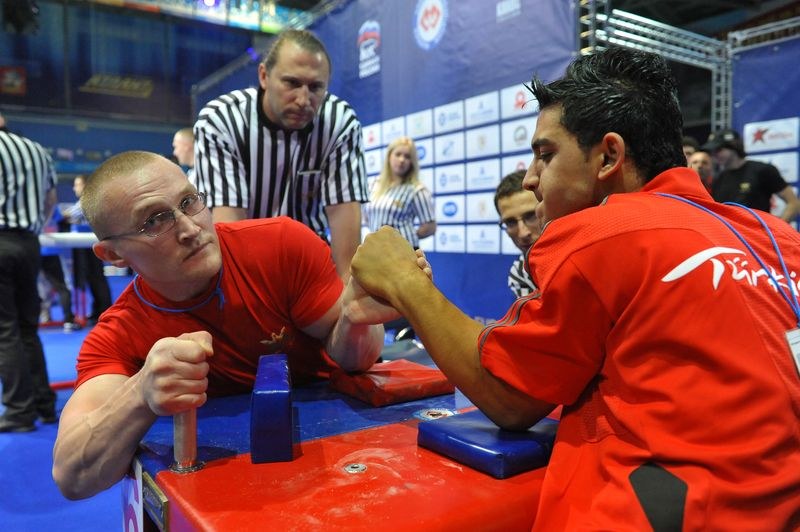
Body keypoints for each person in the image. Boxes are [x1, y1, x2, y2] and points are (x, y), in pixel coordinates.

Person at [350, 48, 800, 530]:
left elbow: (512, 400)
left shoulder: (604, 230)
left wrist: (403, 281)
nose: (530, 178)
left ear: (608, 156)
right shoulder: (778, 236)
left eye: (545, 154)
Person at [51, 151, 421, 500]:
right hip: (223, 490)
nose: (190, 228)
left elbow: (355, 360)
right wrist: (140, 394)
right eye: (154, 221)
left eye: (188, 202)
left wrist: (356, 320)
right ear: (113, 254)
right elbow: (73, 477)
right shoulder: (119, 334)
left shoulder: (279, 245)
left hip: (347, 453)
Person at [194, 29, 368, 281]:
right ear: (264, 76)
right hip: (246, 259)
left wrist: (350, 302)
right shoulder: (222, 120)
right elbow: (229, 224)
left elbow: (344, 215)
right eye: (292, 83)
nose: (303, 99)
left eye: (316, 87)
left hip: (309, 260)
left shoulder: (339, 122)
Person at [0, 121, 59, 432]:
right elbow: (50, 201)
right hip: (29, 243)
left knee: (5, 331)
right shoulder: (37, 150)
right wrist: (35, 224)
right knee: (27, 328)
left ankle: (19, 412)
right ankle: (43, 405)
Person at [704, 128, 800, 223]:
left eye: (718, 150)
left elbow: (794, 203)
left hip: (757, 236)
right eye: (712, 151)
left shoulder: (762, 170)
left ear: (734, 147)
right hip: (728, 236)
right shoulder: (718, 179)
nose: (714, 155)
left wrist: (775, 231)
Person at [362, 137, 436, 249]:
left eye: (407, 156)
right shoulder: (373, 185)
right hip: (377, 251)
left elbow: (430, 227)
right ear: (389, 156)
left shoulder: (416, 190)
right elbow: (366, 217)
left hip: (403, 253)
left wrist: (405, 237)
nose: (402, 160)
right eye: (398, 154)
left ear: (412, 162)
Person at [66, 174, 113, 323]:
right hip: (88, 245)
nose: (75, 188)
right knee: (94, 278)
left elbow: (68, 214)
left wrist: (61, 214)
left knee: (96, 278)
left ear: (85, 185)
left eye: (77, 184)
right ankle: (99, 310)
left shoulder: (88, 201)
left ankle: (104, 310)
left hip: (91, 244)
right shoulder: (85, 201)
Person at [494, 169, 539, 298]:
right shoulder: (520, 274)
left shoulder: (586, 252)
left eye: (531, 216)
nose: (523, 233)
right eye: (511, 222)